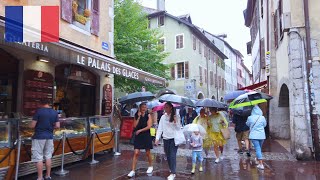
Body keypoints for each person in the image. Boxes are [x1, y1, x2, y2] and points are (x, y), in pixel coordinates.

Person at [30, 99, 60, 180]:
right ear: (48, 104)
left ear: (40, 103)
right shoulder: (54, 112)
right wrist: (50, 127)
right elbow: (57, 126)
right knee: (48, 156)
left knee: (38, 157)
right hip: (49, 136)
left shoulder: (39, 111)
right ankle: (48, 175)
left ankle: (40, 177)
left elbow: (32, 125)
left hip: (39, 136)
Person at [155, 102, 181, 180]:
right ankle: (171, 168)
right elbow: (160, 128)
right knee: (168, 155)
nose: (165, 109)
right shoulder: (163, 117)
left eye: (166, 107)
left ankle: (173, 173)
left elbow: (178, 128)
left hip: (174, 139)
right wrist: (157, 138)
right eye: (164, 107)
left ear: (170, 108)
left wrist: (176, 122)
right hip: (166, 139)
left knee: (172, 155)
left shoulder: (176, 116)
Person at [127, 103, 153, 177]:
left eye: (145, 107)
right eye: (142, 107)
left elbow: (149, 126)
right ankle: (133, 170)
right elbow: (134, 126)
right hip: (138, 136)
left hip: (146, 135)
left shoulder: (148, 115)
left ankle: (150, 166)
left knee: (147, 152)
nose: (144, 108)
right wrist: (138, 117)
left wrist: (140, 130)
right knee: (136, 152)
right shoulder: (136, 115)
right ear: (140, 108)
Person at [246, 105, 267, 170]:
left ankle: (261, 164)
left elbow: (247, 124)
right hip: (262, 135)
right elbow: (264, 125)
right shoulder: (262, 117)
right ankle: (258, 160)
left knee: (257, 149)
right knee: (259, 149)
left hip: (254, 136)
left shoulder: (250, 117)